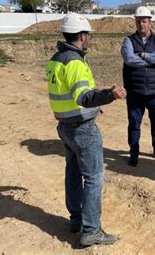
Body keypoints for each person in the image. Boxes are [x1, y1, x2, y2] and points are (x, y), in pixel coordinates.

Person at [46, 13, 126, 246]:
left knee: (73, 172)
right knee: (93, 178)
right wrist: (109, 96)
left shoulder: (56, 58)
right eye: (88, 35)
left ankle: (77, 219)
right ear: (82, 36)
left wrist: (93, 108)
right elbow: (83, 96)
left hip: (65, 126)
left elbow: (68, 94)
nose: (89, 38)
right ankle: (91, 230)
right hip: (82, 130)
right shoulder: (75, 61)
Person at [121, 5, 155, 167]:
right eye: (139, 21)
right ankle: (134, 151)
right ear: (136, 22)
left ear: (150, 23)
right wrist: (151, 60)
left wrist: (142, 55)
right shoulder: (128, 41)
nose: (142, 24)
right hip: (135, 91)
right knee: (134, 123)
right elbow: (128, 59)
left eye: (144, 21)